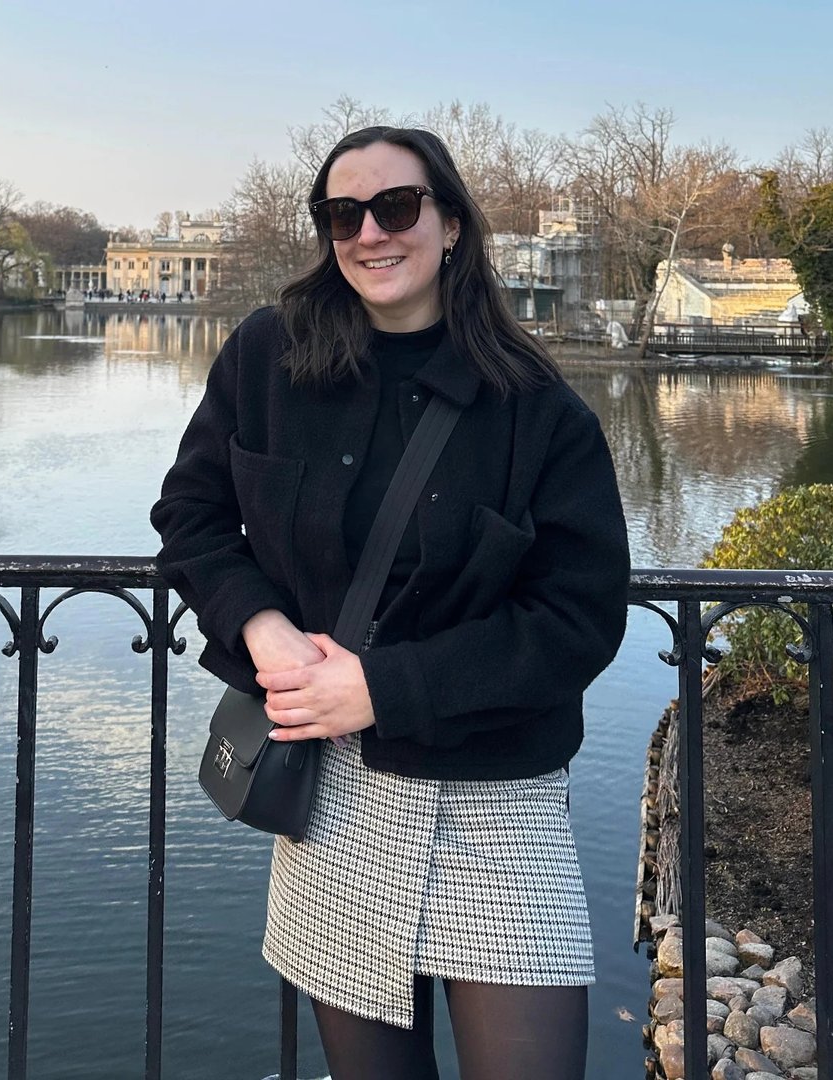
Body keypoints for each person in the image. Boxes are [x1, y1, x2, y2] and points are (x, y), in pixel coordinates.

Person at [150, 126, 629, 1080]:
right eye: (344, 214)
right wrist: (263, 628)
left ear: (451, 225)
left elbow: (578, 617)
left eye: (396, 207)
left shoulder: (537, 406)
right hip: (332, 791)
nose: (370, 232)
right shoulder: (268, 356)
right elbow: (191, 516)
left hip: (497, 797)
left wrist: (385, 688)